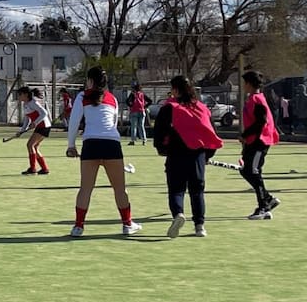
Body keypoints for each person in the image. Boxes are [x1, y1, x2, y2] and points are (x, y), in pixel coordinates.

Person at [65, 66, 140, 238]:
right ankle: (127, 224)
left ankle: (78, 227)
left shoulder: (82, 97)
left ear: (90, 81)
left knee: (85, 189)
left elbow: (74, 122)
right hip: (112, 145)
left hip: (91, 145)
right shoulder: (112, 99)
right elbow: (113, 125)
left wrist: (71, 145)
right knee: (120, 189)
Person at [153, 75, 224, 238]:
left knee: (176, 190)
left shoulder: (169, 108)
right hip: (198, 154)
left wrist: (162, 149)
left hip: (176, 153)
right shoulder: (201, 107)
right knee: (197, 191)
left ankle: (178, 213)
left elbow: (159, 131)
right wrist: (207, 155)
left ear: (175, 90)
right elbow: (211, 131)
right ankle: (199, 226)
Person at [240, 71, 280, 220]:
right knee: (245, 171)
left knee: (253, 171)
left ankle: (263, 207)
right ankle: (268, 198)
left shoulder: (257, 100)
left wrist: (245, 135)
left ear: (249, 84)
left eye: (244, 83)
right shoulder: (253, 99)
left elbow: (261, 122)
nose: (244, 86)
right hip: (253, 141)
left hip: (260, 141)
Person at [15, 86, 52, 175]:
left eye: (20, 95)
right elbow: (27, 119)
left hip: (44, 125)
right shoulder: (25, 105)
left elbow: (44, 113)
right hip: (40, 126)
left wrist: (35, 122)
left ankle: (32, 168)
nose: (18, 97)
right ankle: (44, 169)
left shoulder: (33, 103)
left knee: (30, 145)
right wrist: (22, 130)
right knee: (34, 147)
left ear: (26, 95)